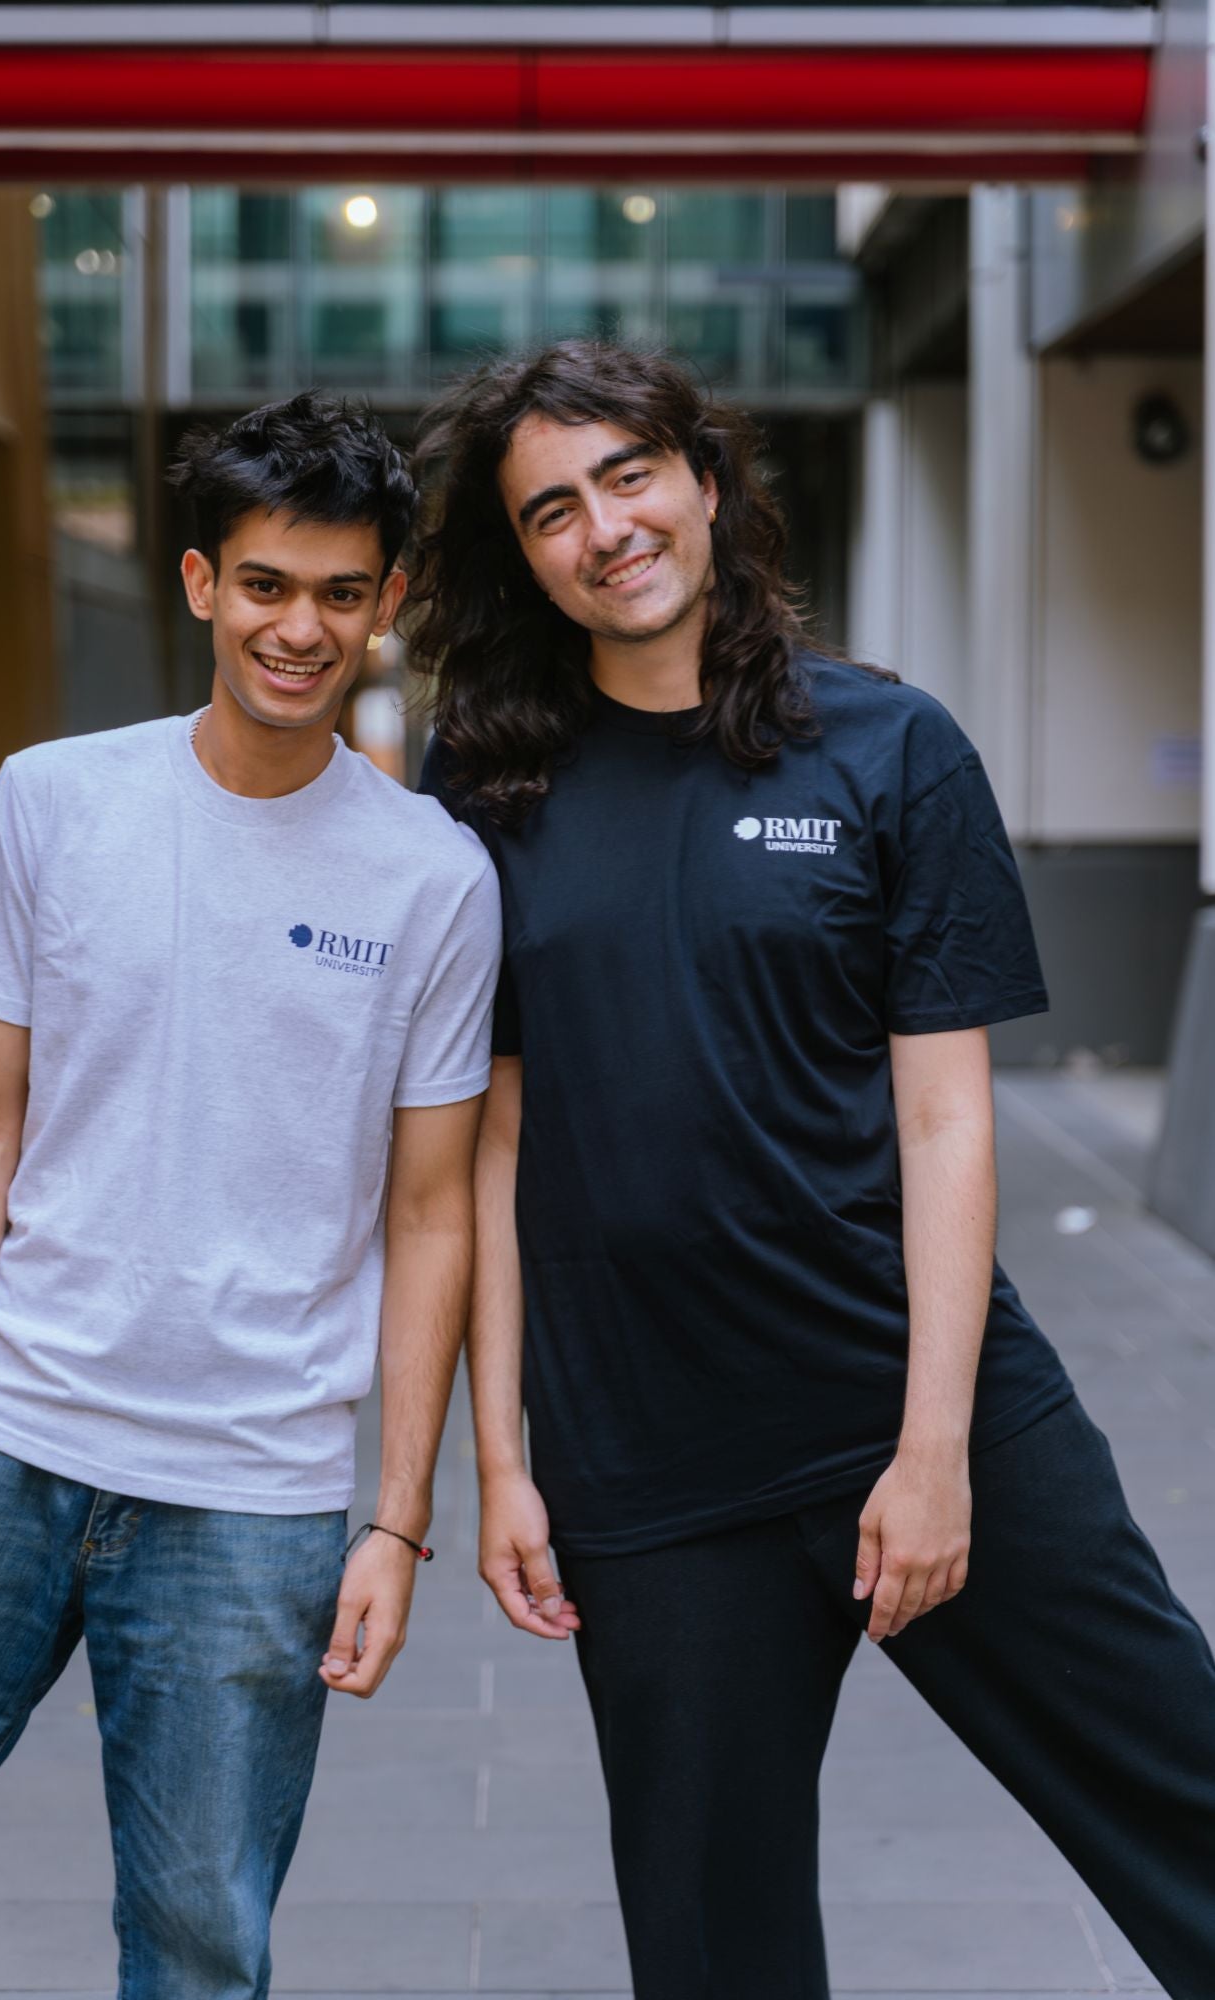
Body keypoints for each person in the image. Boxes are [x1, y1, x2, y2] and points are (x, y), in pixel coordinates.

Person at [410, 340, 1215, 1999]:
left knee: (1185, 1808)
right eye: (550, 508)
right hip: (648, 1459)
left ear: (704, 482)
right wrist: (501, 1461)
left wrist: (931, 1454)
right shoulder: (484, 788)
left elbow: (942, 1118)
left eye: (628, 476)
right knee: (712, 1950)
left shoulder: (886, 748)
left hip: (918, 1400)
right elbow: (489, 1133)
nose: (603, 528)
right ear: (522, 557)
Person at [0, 393, 501, 1997]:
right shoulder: (51, 799)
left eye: (341, 594)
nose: (301, 630)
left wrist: (397, 1520)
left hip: (254, 1495)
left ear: (390, 605)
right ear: (199, 583)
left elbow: (433, 1212)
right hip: (5, 1448)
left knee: (199, 1948)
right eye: (268, 585)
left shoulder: (433, 877)